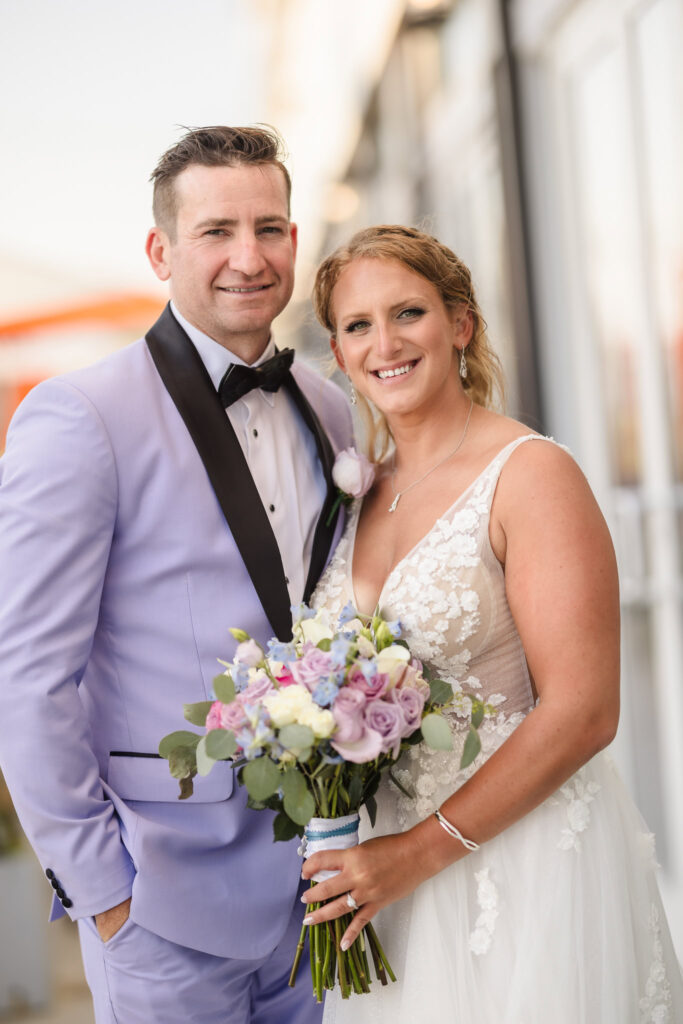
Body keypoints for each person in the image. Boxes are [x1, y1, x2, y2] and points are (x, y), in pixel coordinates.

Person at [0, 126, 352, 1024]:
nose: (248, 256)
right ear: (160, 251)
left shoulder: (331, 407)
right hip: (162, 905)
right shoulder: (79, 415)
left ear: (294, 241)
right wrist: (104, 896)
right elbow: (28, 674)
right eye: (216, 231)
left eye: (269, 228)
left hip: (324, 890)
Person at [302, 225, 683, 1022]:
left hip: (520, 870)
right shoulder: (360, 496)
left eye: (408, 313)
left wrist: (414, 855)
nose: (386, 343)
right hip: (387, 889)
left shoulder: (531, 473)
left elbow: (583, 711)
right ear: (338, 352)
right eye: (358, 326)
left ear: (460, 324)